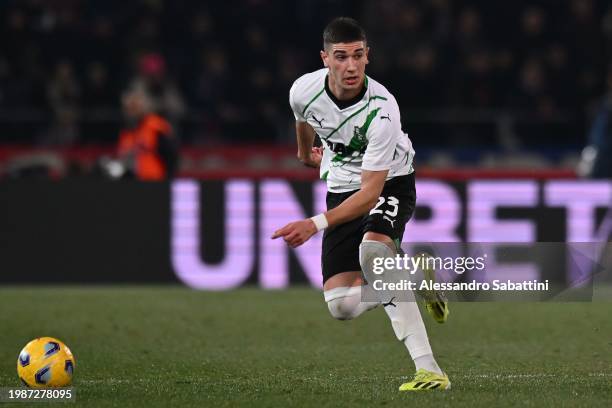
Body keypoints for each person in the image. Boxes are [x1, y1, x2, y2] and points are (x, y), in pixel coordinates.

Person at [272, 17, 450, 391]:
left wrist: (314, 223)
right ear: (325, 59)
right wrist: (306, 154)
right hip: (340, 184)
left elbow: (370, 194)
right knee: (341, 305)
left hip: (390, 181)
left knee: (374, 256)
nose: (350, 66)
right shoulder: (303, 90)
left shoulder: (383, 110)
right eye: (341, 57)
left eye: (357, 56)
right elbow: (302, 117)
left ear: (368, 56)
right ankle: (414, 277)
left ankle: (430, 369)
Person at [116, 89, 178, 180]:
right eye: (128, 108)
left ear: (143, 106)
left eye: (135, 107)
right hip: (133, 182)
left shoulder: (155, 126)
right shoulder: (126, 132)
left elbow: (171, 155)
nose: (131, 111)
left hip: (155, 179)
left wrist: (168, 178)